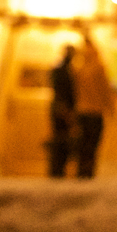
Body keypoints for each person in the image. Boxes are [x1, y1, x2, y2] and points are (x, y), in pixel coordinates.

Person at [71, 27, 114, 178]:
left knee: (82, 146)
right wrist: (111, 109)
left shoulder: (79, 69)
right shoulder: (99, 68)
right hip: (95, 113)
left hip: (82, 112)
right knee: (92, 147)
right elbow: (106, 91)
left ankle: (81, 173)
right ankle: (88, 174)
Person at [48, 44, 76, 177]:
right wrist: (66, 110)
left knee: (60, 140)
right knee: (61, 141)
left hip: (59, 108)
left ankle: (57, 170)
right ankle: (57, 171)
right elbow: (64, 92)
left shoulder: (61, 68)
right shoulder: (63, 70)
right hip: (61, 109)